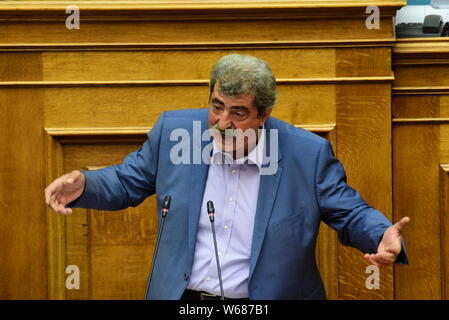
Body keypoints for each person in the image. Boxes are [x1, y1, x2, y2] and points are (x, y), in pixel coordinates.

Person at [45, 54, 409, 300]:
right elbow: (128, 180)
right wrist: (85, 184)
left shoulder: (306, 155)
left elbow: (349, 211)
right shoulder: (176, 133)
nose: (223, 123)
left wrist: (380, 234)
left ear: (264, 114)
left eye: (238, 113)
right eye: (216, 107)